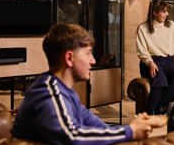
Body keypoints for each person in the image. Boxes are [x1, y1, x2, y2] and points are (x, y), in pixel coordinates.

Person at [12, 24, 166, 144]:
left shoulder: (65, 91)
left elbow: (97, 126)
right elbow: (72, 136)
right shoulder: (49, 92)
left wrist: (133, 126)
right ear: (69, 58)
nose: (93, 60)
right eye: (88, 53)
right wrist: (130, 131)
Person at [136, 0, 174, 115]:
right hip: (152, 61)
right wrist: (150, 63)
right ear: (154, 12)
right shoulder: (143, 28)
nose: (167, 14)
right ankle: (149, 112)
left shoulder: (172, 26)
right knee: (161, 80)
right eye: (163, 11)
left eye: (167, 11)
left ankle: (161, 108)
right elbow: (142, 51)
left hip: (168, 61)